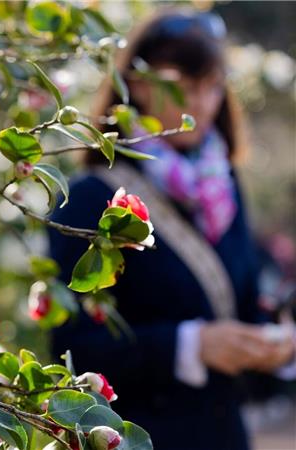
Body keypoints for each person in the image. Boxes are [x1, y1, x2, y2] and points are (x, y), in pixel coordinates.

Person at [48, 9, 295, 450]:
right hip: (139, 435)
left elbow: (241, 303)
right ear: (138, 85)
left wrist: (274, 343)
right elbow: (72, 349)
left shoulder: (225, 184)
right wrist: (189, 346)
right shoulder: (90, 195)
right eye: (182, 88)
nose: (199, 103)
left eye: (212, 86)